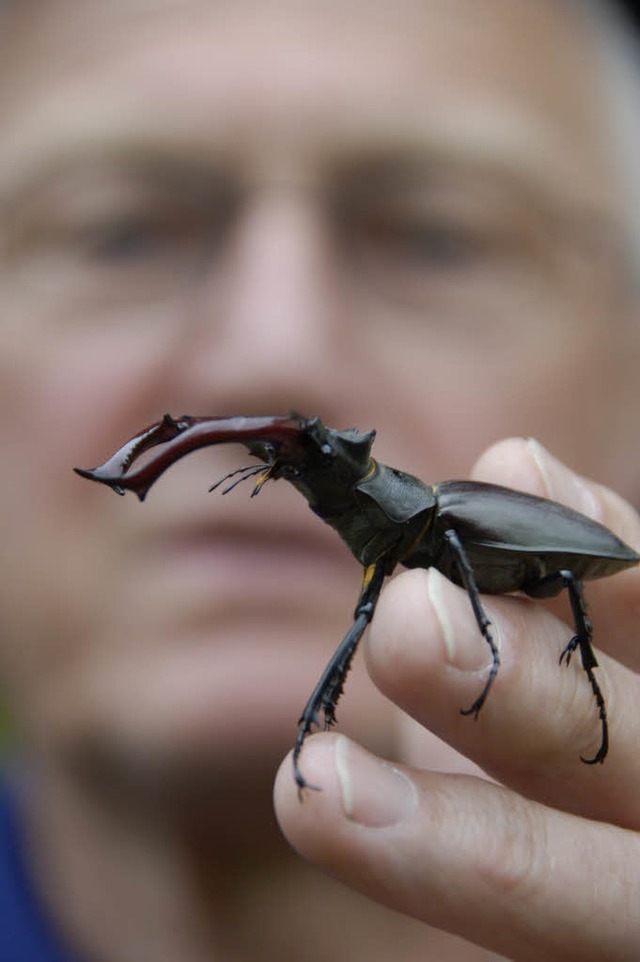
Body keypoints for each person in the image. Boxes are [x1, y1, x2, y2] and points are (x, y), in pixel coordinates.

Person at [0, 0, 639, 959]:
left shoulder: (437, 528)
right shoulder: (396, 545)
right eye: (118, 231)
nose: (271, 350)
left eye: (440, 235)